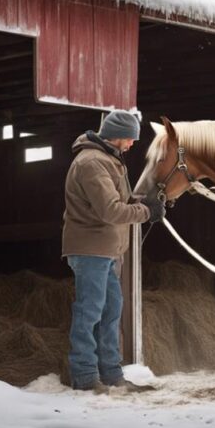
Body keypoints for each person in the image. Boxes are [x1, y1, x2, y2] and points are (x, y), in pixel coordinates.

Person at [62, 110, 164, 394]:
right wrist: (145, 212)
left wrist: (146, 201)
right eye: (131, 138)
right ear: (117, 135)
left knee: (110, 311)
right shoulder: (92, 163)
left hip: (106, 249)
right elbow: (110, 210)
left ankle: (110, 374)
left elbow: (118, 200)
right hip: (90, 248)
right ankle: (84, 376)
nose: (132, 144)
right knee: (89, 311)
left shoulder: (109, 160)